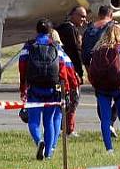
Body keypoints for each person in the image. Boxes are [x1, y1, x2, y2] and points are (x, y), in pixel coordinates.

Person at [18, 18, 78, 160]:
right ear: (51, 31)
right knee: (49, 121)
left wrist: (23, 88)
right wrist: (66, 90)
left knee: (33, 121)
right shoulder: (56, 47)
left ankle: (39, 141)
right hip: (52, 90)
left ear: (37, 31)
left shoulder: (29, 46)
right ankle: (49, 153)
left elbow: (22, 68)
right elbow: (63, 70)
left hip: (34, 89)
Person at [88, 22, 120, 153]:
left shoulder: (97, 50)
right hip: (119, 88)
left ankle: (109, 148)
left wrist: (95, 86)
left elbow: (91, 72)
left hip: (102, 90)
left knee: (105, 119)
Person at [83, 5, 119, 138]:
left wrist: (89, 71)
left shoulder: (90, 30)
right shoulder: (113, 27)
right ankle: (110, 122)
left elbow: (85, 54)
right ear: (111, 15)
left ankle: (106, 123)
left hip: (95, 69)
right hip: (113, 68)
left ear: (99, 15)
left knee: (101, 98)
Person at [56, 5, 87, 137]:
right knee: (74, 99)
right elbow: (76, 51)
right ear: (73, 15)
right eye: (81, 16)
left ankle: (62, 127)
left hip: (61, 70)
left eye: (85, 16)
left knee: (64, 99)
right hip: (71, 70)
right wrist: (80, 72)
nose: (84, 20)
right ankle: (69, 128)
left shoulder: (62, 29)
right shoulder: (70, 30)